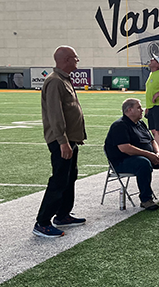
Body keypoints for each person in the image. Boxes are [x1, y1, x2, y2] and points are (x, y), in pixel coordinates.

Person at [34, 45, 87, 238]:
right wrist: (63, 141)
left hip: (70, 139)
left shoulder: (63, 80)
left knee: (69, 176)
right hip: (61, 141)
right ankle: (42, 222)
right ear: (66, 60)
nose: (77, 60)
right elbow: (56, 115)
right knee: (59, 179)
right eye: (75, 57)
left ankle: (63, 214)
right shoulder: (55, 82)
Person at [104, 98, 159, 211]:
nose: (142, 110)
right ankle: (146, 199)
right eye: (139, 107)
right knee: (144, 163)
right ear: (130, 110)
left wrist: (157, 153)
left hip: (146, 156)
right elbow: (125, 148)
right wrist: (149, 155)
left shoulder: (140, 123)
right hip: (123, 161)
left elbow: (152, 141)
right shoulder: (119, 126)